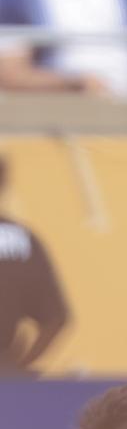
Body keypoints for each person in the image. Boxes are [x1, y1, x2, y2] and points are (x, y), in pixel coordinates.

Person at [0, 158, 70, 376]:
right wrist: (18, 369)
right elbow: (56, 318)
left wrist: (18, 370)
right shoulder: (20, 239)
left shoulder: (20, 240)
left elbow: (56, 318)